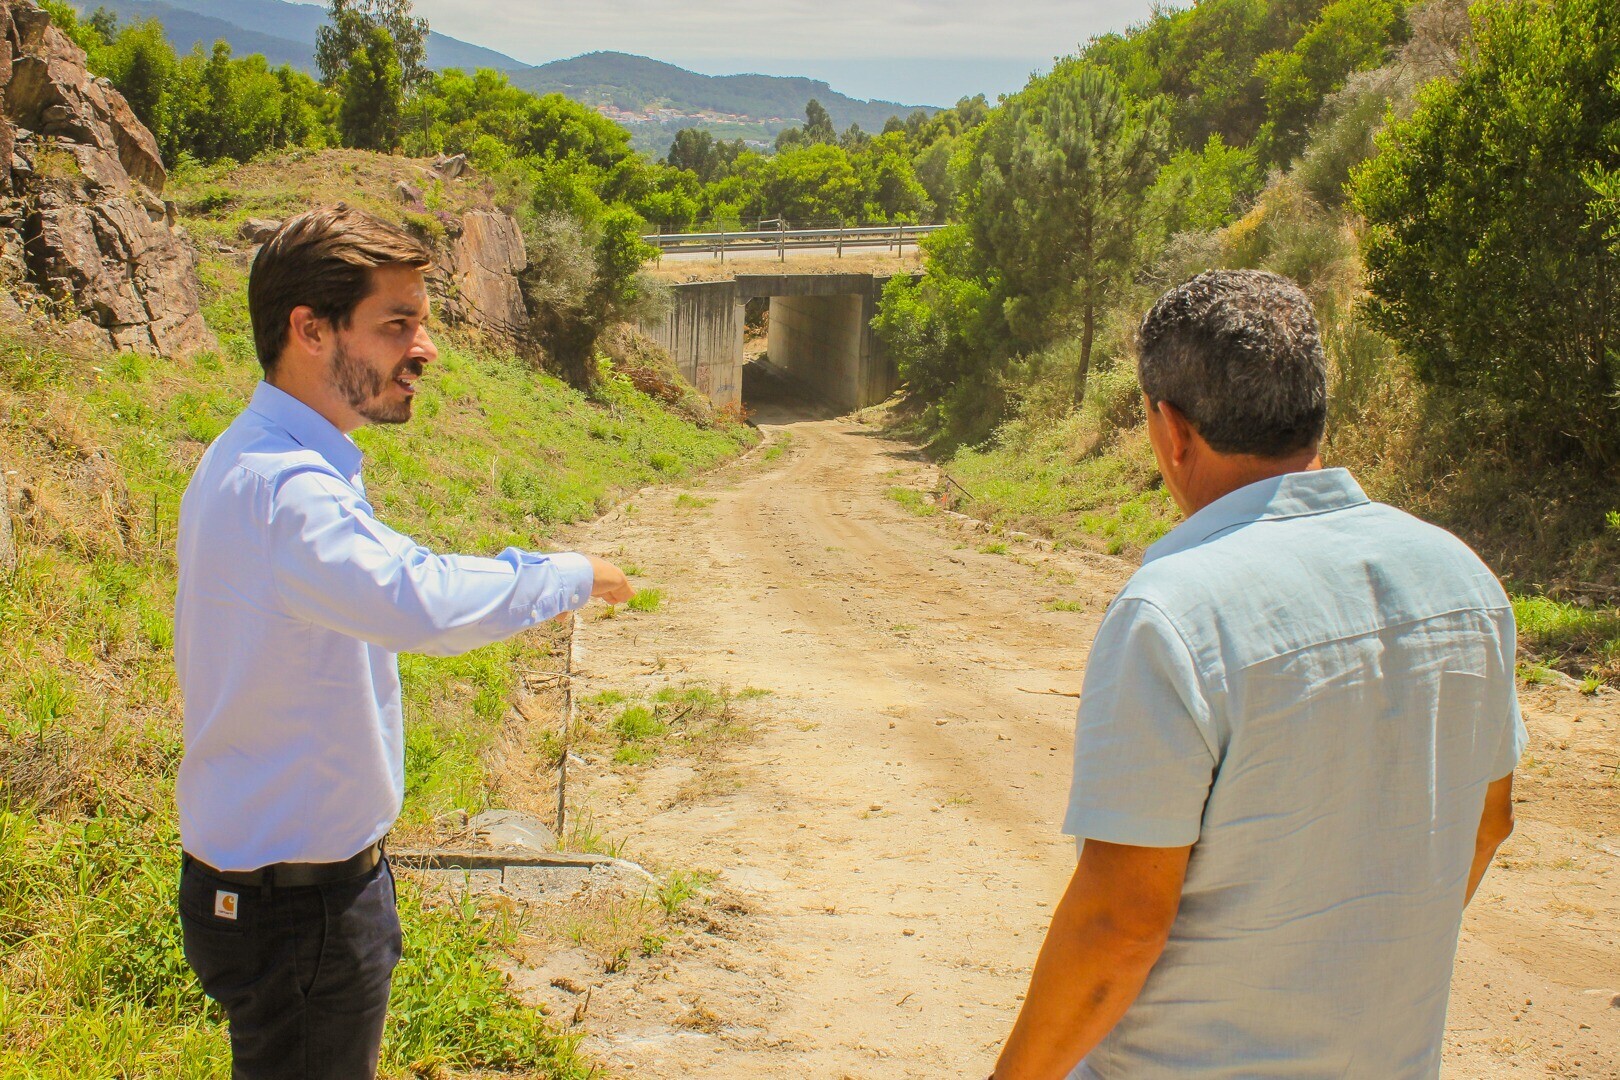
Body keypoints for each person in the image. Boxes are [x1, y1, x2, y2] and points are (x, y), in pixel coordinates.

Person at [991, 269, 1524, 1079]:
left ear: (1173, 431)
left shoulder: (1172, 613)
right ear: (1315, 408)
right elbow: (1489, 824)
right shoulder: (1464, 580)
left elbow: (1121, 924)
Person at [172, 204, 634, 1079]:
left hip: (273, 893)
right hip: (298, 907)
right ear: (310, 329)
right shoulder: (290, 490)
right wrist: (572, 574)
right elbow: (419, 601)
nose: (426, 350)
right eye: (397, 325)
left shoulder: (251, 455)